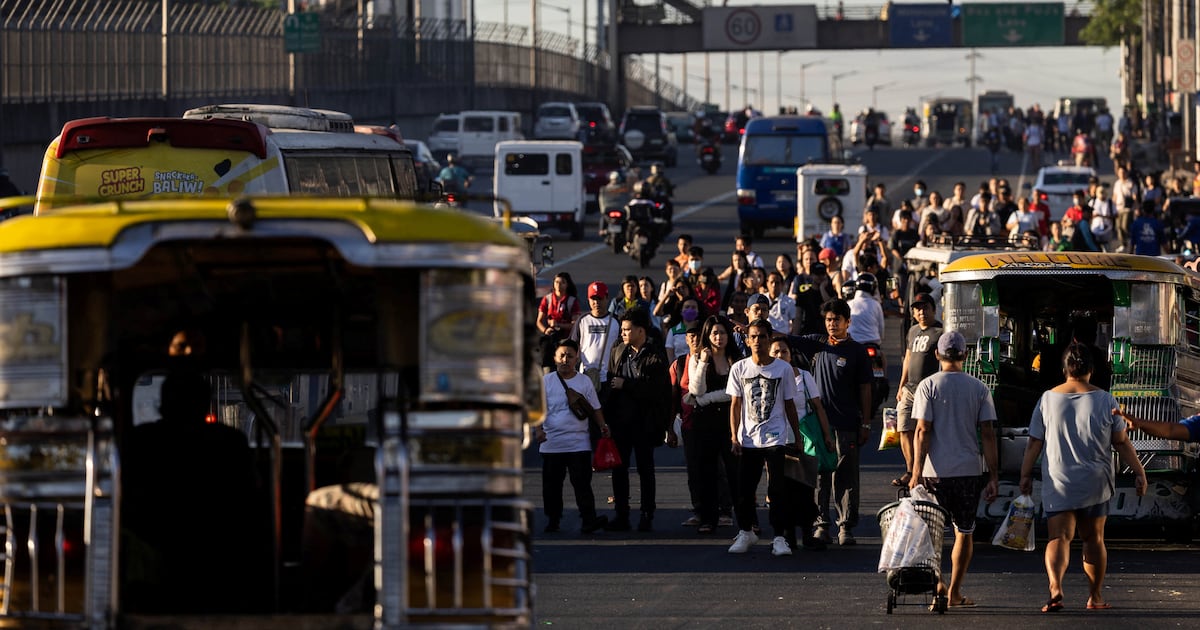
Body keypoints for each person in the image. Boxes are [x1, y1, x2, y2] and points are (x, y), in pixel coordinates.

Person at [1019, 343, 1148, 613]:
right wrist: (1139, 472)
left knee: (1059, 538)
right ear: (1092, 369)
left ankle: (1055, 587)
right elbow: (1122, 443)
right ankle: (1095, 595)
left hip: (1059, 481)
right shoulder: (1106, 400)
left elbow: (1034, 443)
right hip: (1096, 483)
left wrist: (1025, 475)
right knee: (1094, 539)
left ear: (1064, 369)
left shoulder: (1047, 399)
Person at [908, 330, 1000, 610]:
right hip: (968, 472)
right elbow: (987, 434)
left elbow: (923, 430)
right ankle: (955, 592)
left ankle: (938, 585)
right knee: (964, 532)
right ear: (966, 356)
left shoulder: (927, 386)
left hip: (934, 472)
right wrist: (994, 475)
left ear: (937, 355)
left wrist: (915, 471)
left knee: (933, 535)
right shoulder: (979, 388)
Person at [787, 298, 873, 546]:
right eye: (828, 319)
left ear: (848, 322)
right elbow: (784, 339)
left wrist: (866, 424)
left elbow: (866, 389)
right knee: (820, 475)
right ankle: (820, 524)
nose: (832, 323)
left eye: (837, 319)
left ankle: (846, 526)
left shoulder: (857, 351)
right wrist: (750, 326)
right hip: (817, 426)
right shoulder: (817, 343)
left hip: (847, 424)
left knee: (846, 476)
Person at [725, 319, 802, 555]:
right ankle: (746, 531)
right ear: (747, 341)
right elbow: (735, 405)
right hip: (749, 438)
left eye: (762, 336)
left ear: (769, 339)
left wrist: (796, 436)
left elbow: (789, 405)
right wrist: (734, 436)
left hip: (776, 437)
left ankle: (779, 537)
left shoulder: (783, 369)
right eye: (753, 337)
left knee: (778, 489)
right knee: (745, 489)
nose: (757, 341)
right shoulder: (740, 368)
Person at [604, 308, 672, 532]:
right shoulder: (618, 350)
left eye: (627, 329)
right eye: (622, 329)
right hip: (620, 421)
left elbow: (656, 389)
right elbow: (611, 381)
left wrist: (627, 385)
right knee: (619, 469)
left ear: (641, 330)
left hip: (645, 422)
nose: (623, 333)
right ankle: (621, 515)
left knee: (645, 469)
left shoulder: (655, 354)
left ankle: (646, 514)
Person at [537, 339, 611, 534]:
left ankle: (588, 520)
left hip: (579, 443)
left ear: (577, 357)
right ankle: (553, 520)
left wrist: (603, 425)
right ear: (554, 358)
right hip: (551, 444)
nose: (565, 359)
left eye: (570, 356)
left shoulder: (584, 381)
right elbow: (536, 410)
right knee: (551, 486)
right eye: (561, 355)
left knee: (582, 485)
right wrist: (537, 430)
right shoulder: (546, 382)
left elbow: (596, 408)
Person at [687, 316, 741, 534]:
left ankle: (746, 519)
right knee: (706, 471)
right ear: (707, 337)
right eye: (714, 333)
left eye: (723, 333)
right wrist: (702, 362)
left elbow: (735, 393)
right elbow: (696, 390)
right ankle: (708, 518)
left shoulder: (735, 360)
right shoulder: (697, 358)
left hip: (730, 421)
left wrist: (708, 399)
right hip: (704, 422)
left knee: (735, 472)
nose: (719, 337)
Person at [893, 292, 942, 487]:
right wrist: (901, 385)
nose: (921, 312)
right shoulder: (912, 331)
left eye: (925, 308)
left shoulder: (940, 332)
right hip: (909, 388)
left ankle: (924, 470)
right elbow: (907, 359)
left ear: (933, 310)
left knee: (924, 430)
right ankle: (910, 469)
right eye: (917, 308)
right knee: (904, 428)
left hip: (928, 389)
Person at [570, 281, 621, 395]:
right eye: (593, 299)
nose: (596, 302)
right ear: (588, 299)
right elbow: (572, 346)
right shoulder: (582, 320)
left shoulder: (616, 321)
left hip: (609, 379)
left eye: (600, 298)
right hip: (585, 377)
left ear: (607, 298)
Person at [537, 272, 581, 373]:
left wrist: (559, 325)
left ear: (567, 285)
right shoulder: (547, 299)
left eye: (562, 283)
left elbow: (574, 324)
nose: (558, 285)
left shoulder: (571, 301)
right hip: (550, 342)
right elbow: (539, 321)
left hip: (565, 342)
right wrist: (546, 330)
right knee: (547, 370)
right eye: (556, 282)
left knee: (565, 371)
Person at [846, 273, 884, 346]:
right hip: (873, 341)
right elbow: (881, 327)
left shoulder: (849, 304)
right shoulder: (876, 304)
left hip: (853, 342)